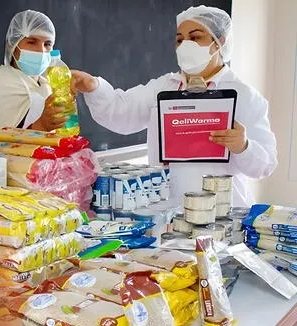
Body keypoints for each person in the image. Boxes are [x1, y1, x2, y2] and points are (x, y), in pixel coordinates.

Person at [72, 5, 277, 207]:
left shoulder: (244, 96)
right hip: (169, 212)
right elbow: (121, 112)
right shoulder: (164, 87)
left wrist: (243, 146)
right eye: (180, 40)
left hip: (222, 213)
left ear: (219, 43)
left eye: (195, 37)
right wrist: (93, 86)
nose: (185, 45)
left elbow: (265, 166)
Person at [0, 10, 67, 135]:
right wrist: (41, 126)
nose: (41, 51)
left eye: (47, 44)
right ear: (12, 45)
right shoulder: (0, 83)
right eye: (32, 42)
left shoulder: (45, 84)